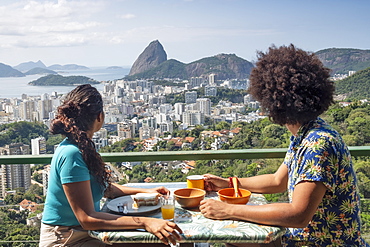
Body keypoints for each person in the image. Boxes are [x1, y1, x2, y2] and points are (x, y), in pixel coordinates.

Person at [199, 44, 369, 247]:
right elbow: (277, 180)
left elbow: (298, 214)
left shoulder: (318, 144)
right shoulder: (305, 134)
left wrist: (227, 210)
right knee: (236, 239)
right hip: (302, 238)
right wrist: (229, 183)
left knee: (235, 237)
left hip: (322, 243)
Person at [40, 84, 182, 247]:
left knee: (167, 240)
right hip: (67, 238)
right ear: (99, 117)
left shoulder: (82, 147)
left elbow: (106, 188)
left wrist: (146, 191)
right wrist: (145, 222)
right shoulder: (71, 154)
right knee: (166, 242)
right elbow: (87, 218)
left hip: (85, 232)